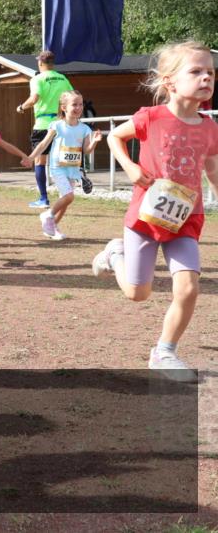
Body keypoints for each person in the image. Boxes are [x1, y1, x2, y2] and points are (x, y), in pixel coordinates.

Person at [92, 41, 218, 381]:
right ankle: (114, 255)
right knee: (138, 293)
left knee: (189, 288)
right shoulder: (151, 117)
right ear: (169, 82)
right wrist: (131, 168)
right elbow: (114, 138)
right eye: (196, 71)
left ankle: (164, 352)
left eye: (210, 72)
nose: (206, 77)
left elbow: (212, 169)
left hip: (186, 219)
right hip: (146, 218)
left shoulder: (209, 127)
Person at [28, 91, 104, 240]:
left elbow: (87, 150)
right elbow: (43, 144)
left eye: (80, 104)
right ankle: (48, 215)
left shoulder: (85, 129)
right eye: (74, 104)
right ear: (63, 107)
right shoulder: (57, 125)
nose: (78, 107)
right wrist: (31, 157)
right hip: (58, 168)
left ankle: (51, 227)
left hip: (73, 169)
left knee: (65, 199)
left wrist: (95, 141)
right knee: (69, 196)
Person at [17, 50, 76, 209]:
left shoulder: (37, 78)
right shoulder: (63, 78)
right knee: (61, 160)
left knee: (39, 161)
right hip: (61, 124)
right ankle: (65, 193)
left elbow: (34, 98)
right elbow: (72, 96)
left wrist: (21, 107)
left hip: (43, 124)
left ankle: (43, 198)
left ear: (40, 63)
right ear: (53, 63)